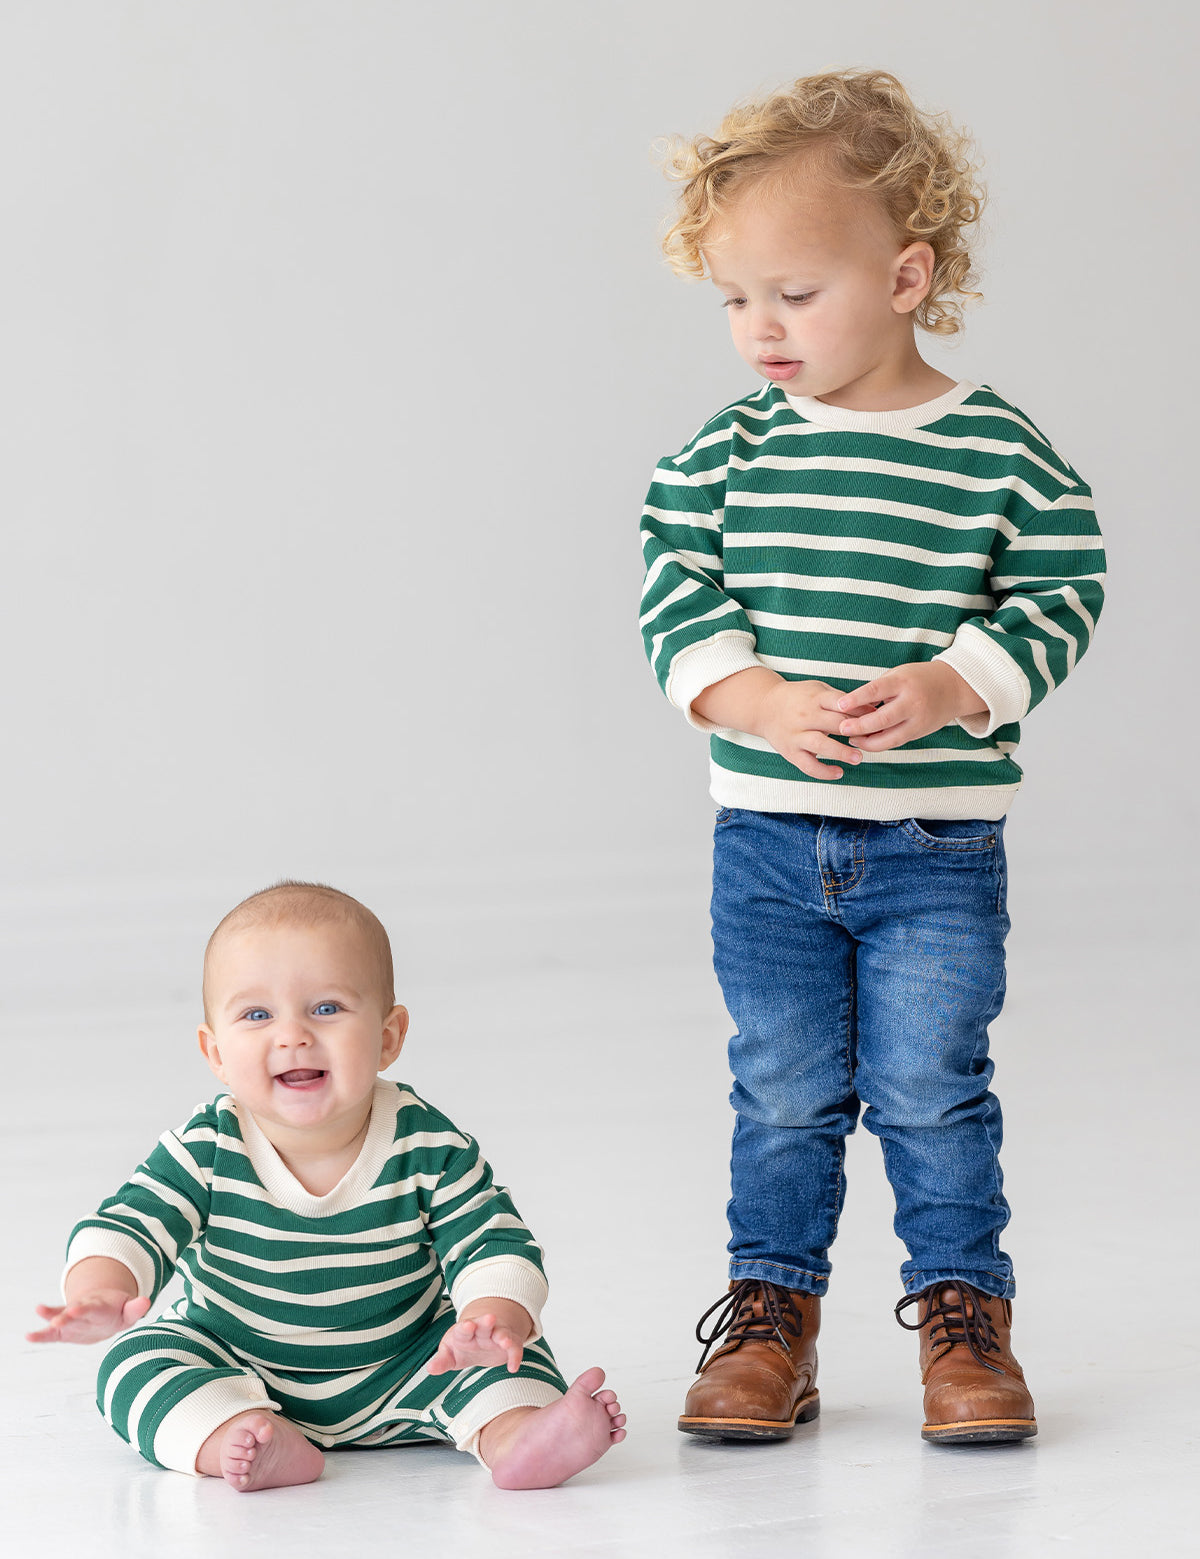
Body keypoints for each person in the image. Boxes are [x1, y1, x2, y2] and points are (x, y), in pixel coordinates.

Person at [640, 68, 1104, 1445]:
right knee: (781, 1090)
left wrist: (963, 682)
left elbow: (1064, 587)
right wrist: (751, 695)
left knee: (931, 1088)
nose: (759, 327)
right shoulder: (724, 454)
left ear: (907, 277)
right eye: (735, 298)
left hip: (935, 846)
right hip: (769, 842)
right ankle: (769, 1317)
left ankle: (966, 1317)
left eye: (794, 292)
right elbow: (674, 586)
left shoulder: (996, 451)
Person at [28, 881, 626, 1490]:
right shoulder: (207, 1148)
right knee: (135, 1365)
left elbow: (493, 1244)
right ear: (216, 1052)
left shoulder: (426, 1144)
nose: (293, 1035)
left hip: (411, 1365)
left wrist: (491, 1318)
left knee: (510, 1358)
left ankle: (517, 1436)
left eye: (326, 1009)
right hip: (236, 1360)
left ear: (388, 1037)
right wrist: (100, 1290)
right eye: (257, 1015)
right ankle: (237, 1433)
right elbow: (128, 1225)